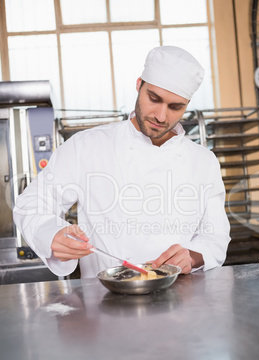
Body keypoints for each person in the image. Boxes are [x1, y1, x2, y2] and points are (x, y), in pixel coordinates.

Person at [13, 46, 231, 278]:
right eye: (154, 99)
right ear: (139, 85)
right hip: (103, 300)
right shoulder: (86, 146)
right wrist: (51, 234)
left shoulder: (203, 162)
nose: (160, 116)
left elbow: (215, 236)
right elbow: (31, 204)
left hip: (179, 300)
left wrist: (192, 255)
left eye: (175, 107)